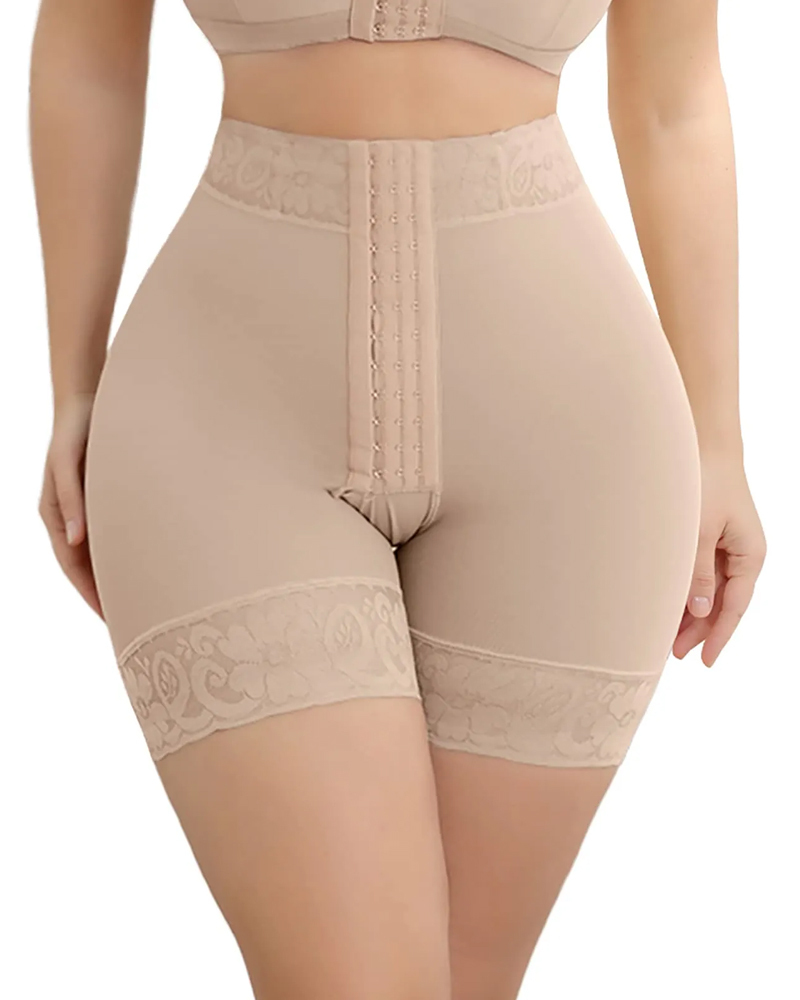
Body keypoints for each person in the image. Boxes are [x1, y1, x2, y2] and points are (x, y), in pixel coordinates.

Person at [30, 1, 766, 997]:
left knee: (466, 983)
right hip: (226, 404)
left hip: (568, 429)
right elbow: (87, 53)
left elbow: (675, 101)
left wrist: (718, 438)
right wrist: (72, 385)